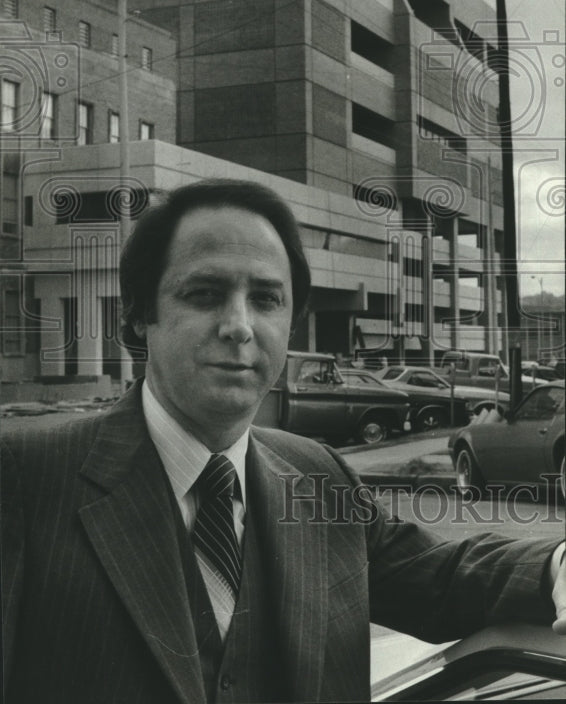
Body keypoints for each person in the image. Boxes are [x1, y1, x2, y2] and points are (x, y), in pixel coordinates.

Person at [2, 178, 564, 704]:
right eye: (204, 294)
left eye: (267, 299)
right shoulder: (24, 480)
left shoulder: (317, 475)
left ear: (291, 323)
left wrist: (559, 566)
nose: (240, 326)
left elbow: (443, 575)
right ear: (137, 318)